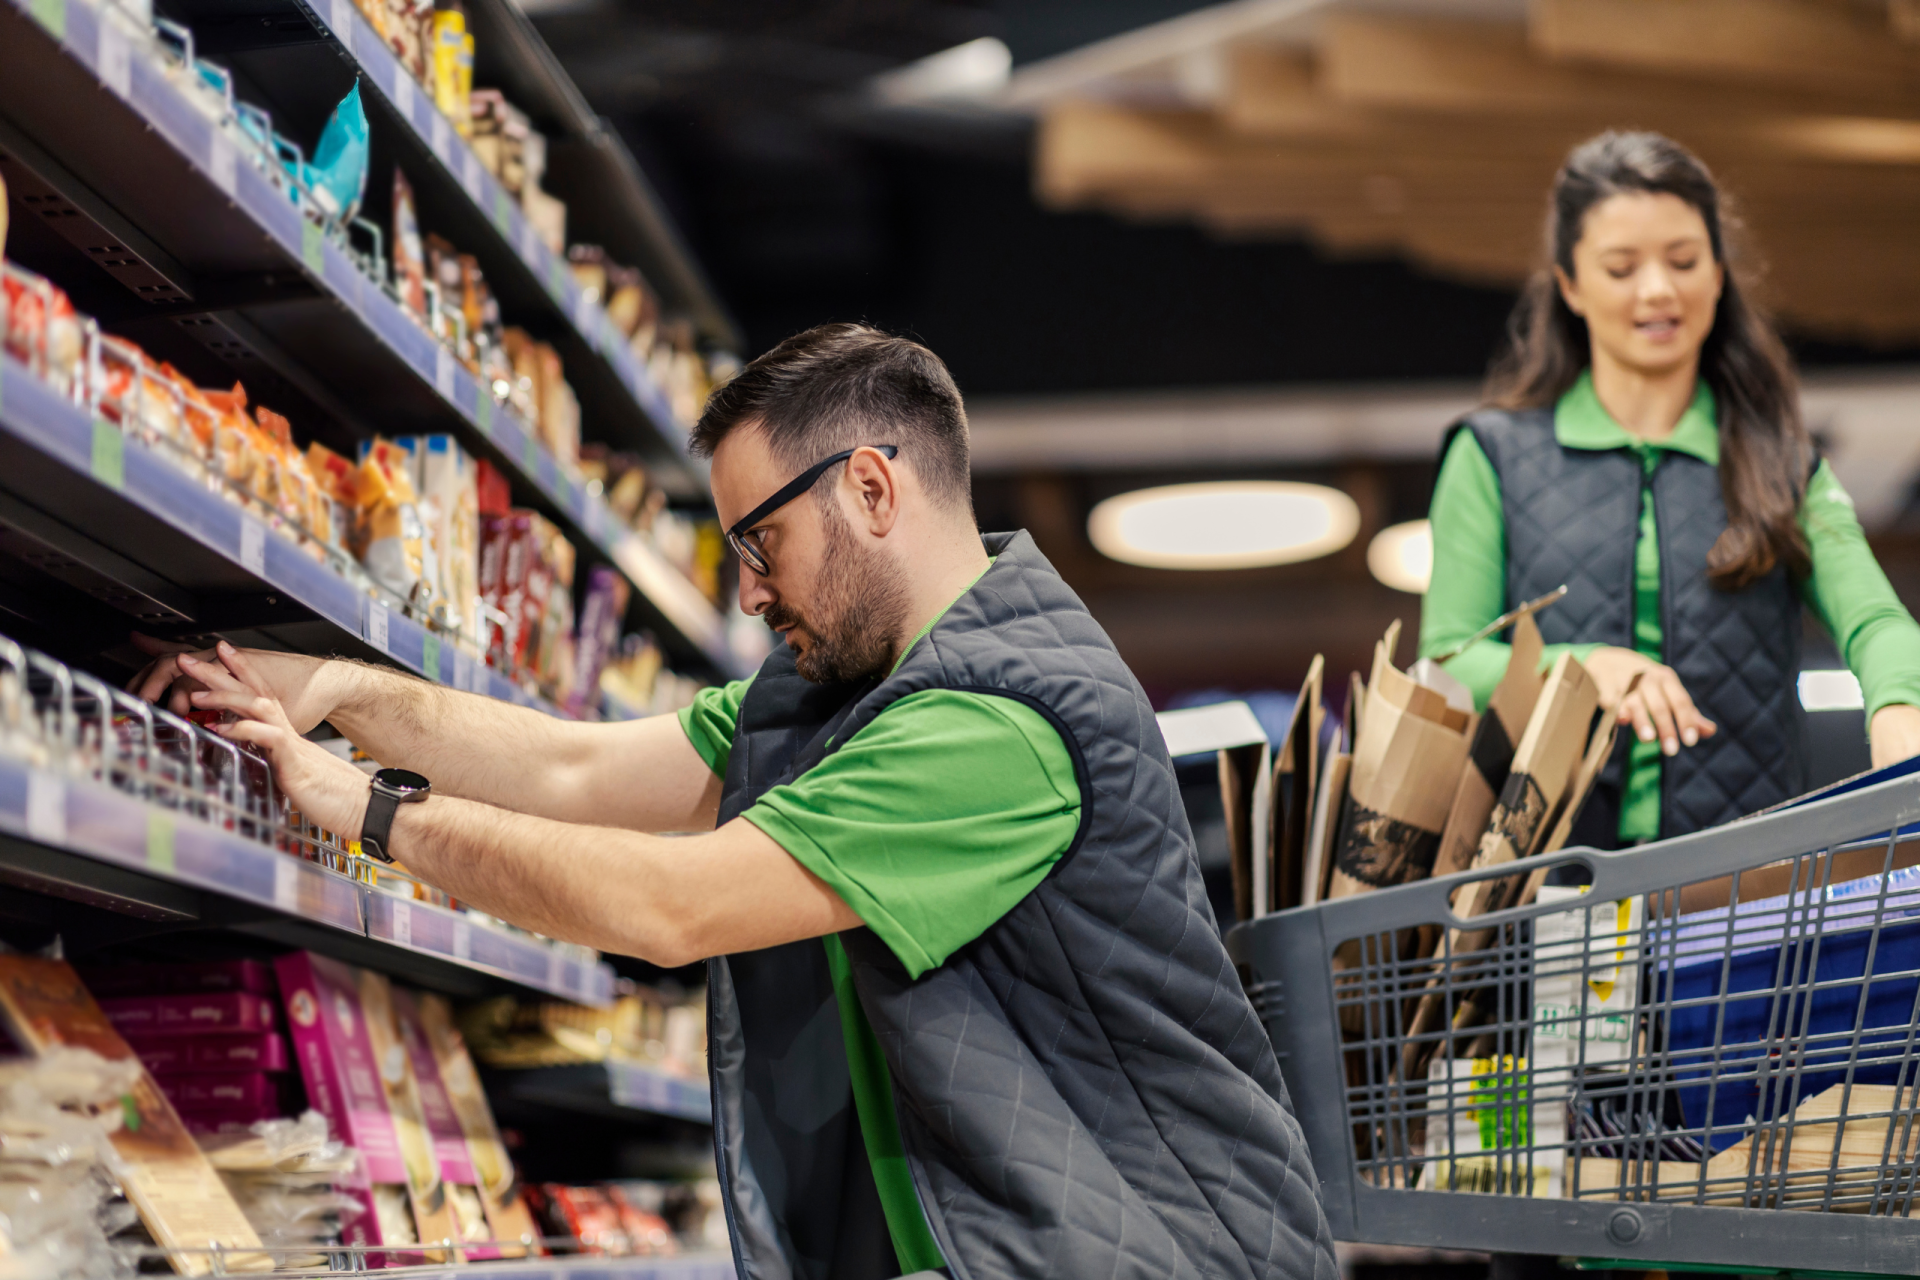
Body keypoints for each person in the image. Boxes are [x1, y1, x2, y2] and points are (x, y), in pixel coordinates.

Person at [131, 324, 1337, 1280]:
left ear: (871, 487)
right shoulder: (839, 696)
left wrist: (368, 807)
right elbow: (573, 770)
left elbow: (668, 904)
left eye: (762, 543)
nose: (751, 593)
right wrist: (340, 686)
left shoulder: (993, 726)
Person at [1421, 131, 1920, 848]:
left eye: (1683, 261)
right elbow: (1449, 666)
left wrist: (1898, 704)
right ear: (1570, 285)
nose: (1658, 289)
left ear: (1718, 273)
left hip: (1743, 889)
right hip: (1548, 888)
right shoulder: (1492, 456)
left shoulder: (1782, 465)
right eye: (1621, 268)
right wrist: (1588, 669)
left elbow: (1874, 619)